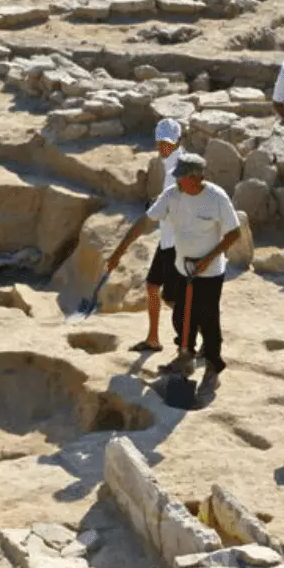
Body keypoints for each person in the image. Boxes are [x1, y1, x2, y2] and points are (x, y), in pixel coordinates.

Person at [105, 154, 241, 397]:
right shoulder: (172, 195)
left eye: (182, 177)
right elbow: (144, 223)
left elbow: (234, 234)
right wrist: (119, 250)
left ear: (196, 177)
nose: (177, 181)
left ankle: (212, 369)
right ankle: (185, 358)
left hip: (209, 273)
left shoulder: (216, 198)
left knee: (208, 320)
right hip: (182, 268)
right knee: (181, 315)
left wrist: (207, 259)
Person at [131, 118, 185, 354]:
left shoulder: (178, 169)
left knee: (173, 300)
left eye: (168, 143)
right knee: (153, 287)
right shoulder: (171, 163)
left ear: (177, 141)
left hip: (177, 243)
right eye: (161, 143)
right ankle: (153, 339)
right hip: (168, 240)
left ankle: (198, 343)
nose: (163, 147)